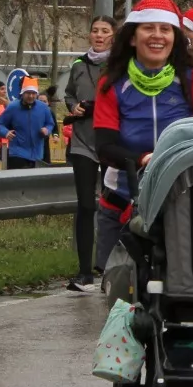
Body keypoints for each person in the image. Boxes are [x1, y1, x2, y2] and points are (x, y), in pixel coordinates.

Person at [91, 0, 193, 295]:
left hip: (182, 198)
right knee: (120, 294)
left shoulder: (192, 80)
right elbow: (105, 146)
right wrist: (143, 160)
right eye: (148, 28)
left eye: (165, 29)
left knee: (177, 289)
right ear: (133, 38)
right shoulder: (112, 82)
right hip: (123, 198)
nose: (157, 35)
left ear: (175, 38)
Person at [63, 16, 113, 289]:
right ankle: (84, 273)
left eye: (105, 31)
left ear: (113, 36)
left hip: (109, 141)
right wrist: (75, 108)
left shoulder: (120, 66)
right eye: (95, 30)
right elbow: (69, 94)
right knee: (85, 204)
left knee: (111, 207)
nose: (98, 35)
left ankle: (108, 267)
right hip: (82, 140)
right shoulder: (78, 64)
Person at [0, 77, 57, 170]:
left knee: (35, 183)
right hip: (17, 152)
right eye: (28, 93)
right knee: (19, 182)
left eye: (33, 93)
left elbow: (50, 123)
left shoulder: (43, 108)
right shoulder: (13, 107)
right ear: (22, 93)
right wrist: (5, 132)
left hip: (37, 154)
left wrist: (47, 130)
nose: (31, 96)